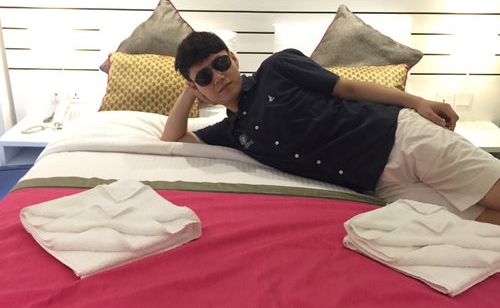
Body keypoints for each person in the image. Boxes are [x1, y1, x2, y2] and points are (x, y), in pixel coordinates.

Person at [161, 31, 500, 226]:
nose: (218, 76)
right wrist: (189, 90)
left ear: (234, 59)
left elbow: (347, 88)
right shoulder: (232, 132)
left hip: (400, 137)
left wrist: (417, 102)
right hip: (380, 184)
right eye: (204, 76)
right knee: (478, 224)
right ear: (195, 87)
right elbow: (171, 139)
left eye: (220, 63)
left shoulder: (277, 67)